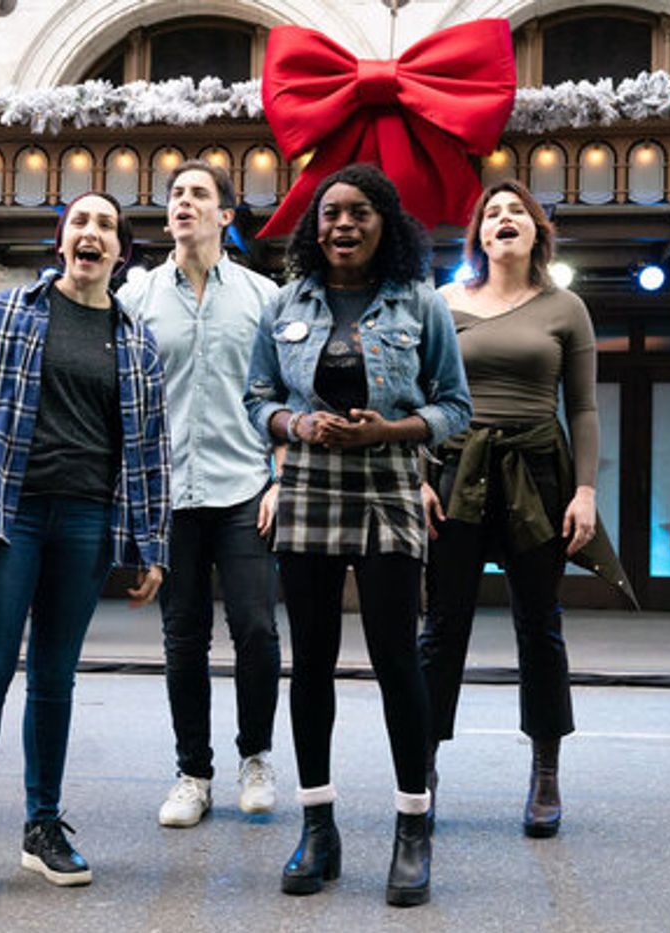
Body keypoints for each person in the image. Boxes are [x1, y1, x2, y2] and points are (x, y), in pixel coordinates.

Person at [0, 191, 170, 908]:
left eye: (105, 225)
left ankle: (42, 827)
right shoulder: (11, 314)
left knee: (56, 678)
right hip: (12, 515)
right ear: (61, 241)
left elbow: (151, 450)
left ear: (120, 252)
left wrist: (151, 545)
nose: (91, 233)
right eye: (80, 222)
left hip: (87, 522)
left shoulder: (136, 342)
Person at [244, 163, 470, 907]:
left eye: (359, 213)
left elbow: (453, 407)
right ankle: (318, 827)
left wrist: (394, 429)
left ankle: (413, 825)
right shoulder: (285, 303)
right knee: (309, 661)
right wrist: (294, 422)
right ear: (316, 228)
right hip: (309, 480)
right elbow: (258, 397)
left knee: (395, 660)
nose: (342, 225)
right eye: (330, 213)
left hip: (389, 481)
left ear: (386, 224)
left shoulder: (422, 303)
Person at [419, 179, 631, 842]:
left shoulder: (565, 307)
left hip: (538, 473)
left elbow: (585, 407)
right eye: (492, 213)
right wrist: (420, 477)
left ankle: (545, 772)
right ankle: (418, 769)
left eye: (517, 212)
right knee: (441, 626)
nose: (504, 219)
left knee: (540, 626)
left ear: (537, 231)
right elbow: (418, 398)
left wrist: (587, 491)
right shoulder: (441, 302)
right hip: (457, 471)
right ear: (477, 235)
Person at [117, 159, 283, 828]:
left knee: (256, 627)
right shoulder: (136, 301)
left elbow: (288, 391)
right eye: (176, 195)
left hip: (246, 487)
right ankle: (193, 772)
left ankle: (256, 758)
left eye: (199, 194)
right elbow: (123, 402)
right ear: (169, 217)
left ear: (225, 215)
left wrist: (283, 474)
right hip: (171, 495)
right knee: (182, 636)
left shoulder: (264, 297)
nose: (184, 203)